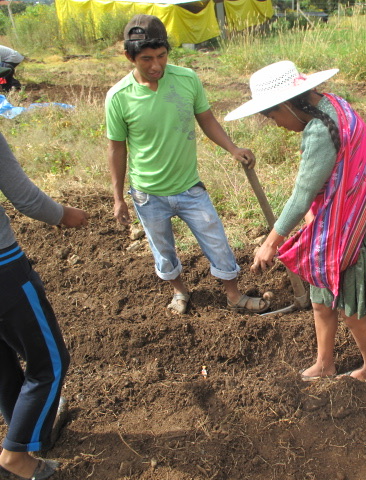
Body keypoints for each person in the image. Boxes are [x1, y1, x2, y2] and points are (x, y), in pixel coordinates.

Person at [225, 61, 366, 381]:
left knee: (352, 311)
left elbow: (301, 196)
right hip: (338, 217)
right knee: (321, 302)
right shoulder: (331, 104)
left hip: (361, 223)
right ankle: (324, 363)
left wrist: (270, 243)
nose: (277, 124)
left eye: (273, 117)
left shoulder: (321, 130)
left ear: (287, 105)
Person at [106, 14, 270, 315]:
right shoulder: (118, 97)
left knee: (217, 241)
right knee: (163, 250)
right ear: (129, 56)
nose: (156, 65)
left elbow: (205, 118)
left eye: (162, 56)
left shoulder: (186, 79)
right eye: (146, 59)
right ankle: (180, 291)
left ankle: (233, 295)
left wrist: (232, 148)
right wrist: (118, 198)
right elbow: (117, 148)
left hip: (189, 187)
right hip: (147, 193)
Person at [0, 132, 88, 479]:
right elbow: (25, 198)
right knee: (49, 363)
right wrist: (63, 214)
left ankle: (25, 430)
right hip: (3, 270)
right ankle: (15, 459)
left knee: (4, 357)